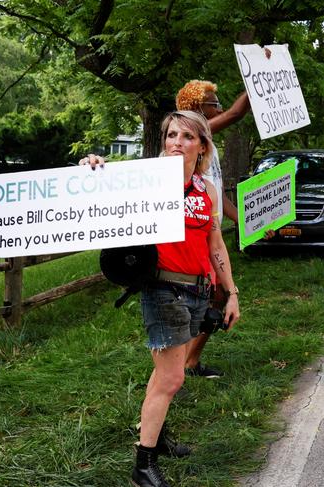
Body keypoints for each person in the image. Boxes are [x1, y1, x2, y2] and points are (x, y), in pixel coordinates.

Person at [94, 111, 240, 487]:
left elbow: (216, 243)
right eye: (171, 134)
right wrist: (92, 168)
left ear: (202, 145)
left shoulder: (205, 189)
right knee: (173, 377)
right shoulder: (146, 180)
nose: (177, 142)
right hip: (162, 289)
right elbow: (104, 187)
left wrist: (231, 292)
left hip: (196, 290)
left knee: (164, 373)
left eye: (187, 137)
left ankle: (155, 439)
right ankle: (143, 466)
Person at [175, 79, 274, 378]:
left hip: (210, 231)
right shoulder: (191, 136)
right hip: (192, 233)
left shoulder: (207, 146)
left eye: (217, 104)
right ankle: (182, 362)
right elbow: (234, 114)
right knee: (210, 296)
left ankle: (188, 360)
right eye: (213, 103)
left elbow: (216, 193)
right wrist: (257, 79)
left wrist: (244, 220)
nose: (218, 108)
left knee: (216, 296)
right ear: (196, 108)